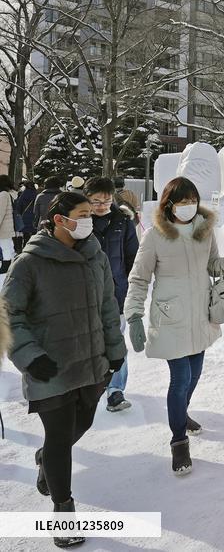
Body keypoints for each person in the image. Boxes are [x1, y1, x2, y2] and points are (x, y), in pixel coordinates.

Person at [2, 192, 126, 549]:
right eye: (83, 214)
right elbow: (9, 313)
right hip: (50, 367)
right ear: (59, 219)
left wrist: (115, 352)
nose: (91, 219)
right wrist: (28, 355)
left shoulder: (95, 255)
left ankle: (46, 458)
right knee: (59, 437)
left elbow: (107, 305)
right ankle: (63, 510)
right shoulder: (29, 262)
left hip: (90, 363)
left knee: (81, 423)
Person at [123, 176, 224, 476]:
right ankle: (178, 439)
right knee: (180, 378)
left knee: (194, 375)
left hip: (200, 315)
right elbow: (139, 278)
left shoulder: (205, 230)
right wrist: (133, 315)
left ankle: (181, 414)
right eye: (182, 203)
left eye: (192, 201)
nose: (188, 207)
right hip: (170, 317)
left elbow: (214, 266)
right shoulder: (154, 236)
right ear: (170, 205)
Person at [85, 177, 140, 412]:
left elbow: (132, 258)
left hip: (117, 293)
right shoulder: (80, 222)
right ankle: (88, 386)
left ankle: (115, 391)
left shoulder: (123, 221)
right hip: (86, 295)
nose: (101, 206)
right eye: (95, 201)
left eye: (106, 201)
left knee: (116, 342)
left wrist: (131, 289)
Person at [0, 175, 17, 274]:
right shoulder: (8, 194)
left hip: (3, 226)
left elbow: (0, 212)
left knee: (5, 246)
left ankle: (6, 266)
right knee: (7, 246)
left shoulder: (3, 195)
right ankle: (9, 264)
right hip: (7, 225)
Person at [14, 180, 38, 251]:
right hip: (34, 217)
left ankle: (25, 249)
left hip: (24, 218)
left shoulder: (23, 194)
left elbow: (18, 207)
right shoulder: (37, 194)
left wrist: (19, 214)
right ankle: (33, 250)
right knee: (34, 235)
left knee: (26, 236)